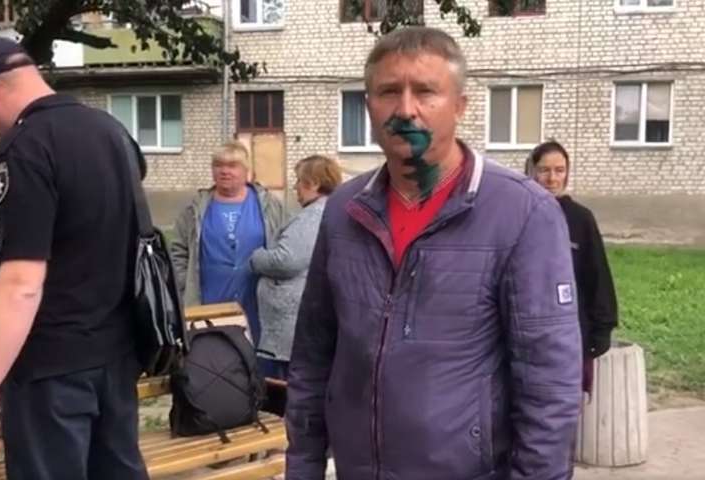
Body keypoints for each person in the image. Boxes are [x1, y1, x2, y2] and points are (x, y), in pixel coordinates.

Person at [285, 27, 583, 480]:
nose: (406, 109)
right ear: (369, 106)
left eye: (425, 91)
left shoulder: (523, 213)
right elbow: (312, 357)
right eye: (389, 92)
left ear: (460, 105)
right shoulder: (344, 212)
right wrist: (303, 467)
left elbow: (550, 386)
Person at [0, 38, 147, 479]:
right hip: (117, 356)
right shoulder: (113, 132)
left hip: (51, 369)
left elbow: (21, 283)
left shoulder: (25, 147)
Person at [170, 141, 286, 346]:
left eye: (232, 165)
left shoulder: (269, 205)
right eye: (218, 165)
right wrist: (184, 285)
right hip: (208, 303)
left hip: (255, 302)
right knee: (212, 355)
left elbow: (285, 245)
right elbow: (178, 250)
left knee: (256, 355)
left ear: (246, 170)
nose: (224, 171)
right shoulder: (195, 208)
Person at [526, 140, 618, 394]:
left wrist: (602, 329)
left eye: (559, 170)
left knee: (565, 406)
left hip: (572, 335)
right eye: (544, 170)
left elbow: (597, 274)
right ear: (532, 172)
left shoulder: (581, 218)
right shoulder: (520, 215)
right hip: (527, 332)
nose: (552, 178)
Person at [250, 155, 342, 380]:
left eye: (299, 181)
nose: (295, 187)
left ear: (314, 183)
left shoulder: (313, 216)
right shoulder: (326, 211)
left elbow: (287, 260)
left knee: (288, 386)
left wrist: (256, 257)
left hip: (291, 327)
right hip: (297, 322)